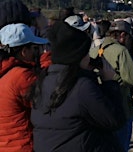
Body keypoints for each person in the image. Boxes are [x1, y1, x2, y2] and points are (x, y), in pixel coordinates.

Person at [30, 21, 126, 151]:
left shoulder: (43, 80)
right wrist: (109, 83)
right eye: (87, 53)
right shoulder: (82, 87)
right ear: (78, 56)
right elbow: (114, 120)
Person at [89, 20, 133, 151]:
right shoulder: (121, 51)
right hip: (121, 103)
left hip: (100, 105)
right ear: (122, 35)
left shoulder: (94, 50)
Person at [0, 23, 48, 152]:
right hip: (22, 145)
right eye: (34, 48)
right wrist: (48, 62)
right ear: (24, 51)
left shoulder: (4, 71)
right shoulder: (22, 76)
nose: (36, 52)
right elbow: (45, 102)